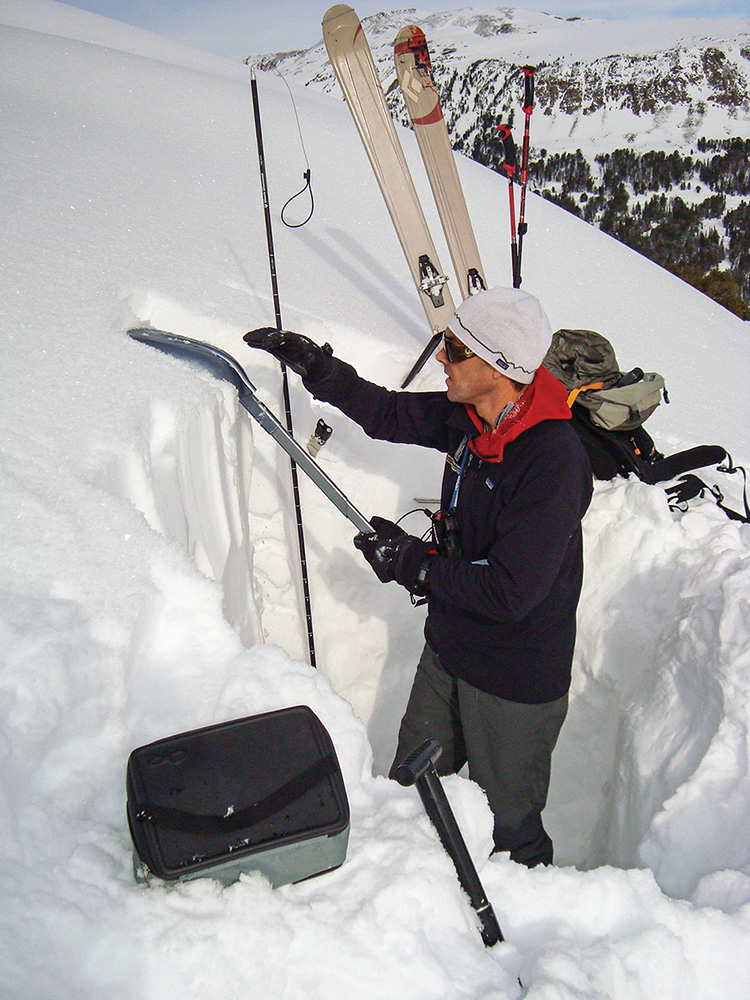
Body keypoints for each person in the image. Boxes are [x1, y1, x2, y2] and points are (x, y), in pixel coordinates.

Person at [244, 286, 593, 867]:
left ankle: (516, 937)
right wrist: (320, 370)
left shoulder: (552, 460)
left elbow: (511, 593)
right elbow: (387, 413)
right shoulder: (471, 418)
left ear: (499, 366)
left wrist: (413, 564)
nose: (441, 359)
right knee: (410, 796)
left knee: (508, 830)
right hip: (449, 650)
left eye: (455, 349)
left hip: (513, 678)